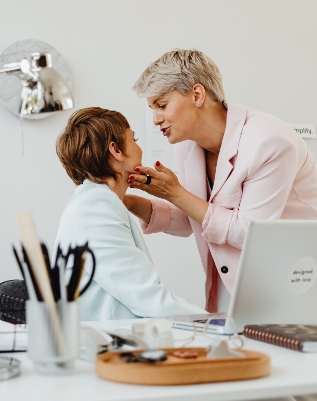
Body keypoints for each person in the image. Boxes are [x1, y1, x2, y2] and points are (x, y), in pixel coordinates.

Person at [125, 49, 317, 314]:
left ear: (197, 95)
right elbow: (195, 218)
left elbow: (248, 232)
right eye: (152, 109)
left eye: (161, 105)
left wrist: (175, 192)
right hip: (238, 286)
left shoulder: (269, 141)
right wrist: (127, 200)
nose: (156, 119)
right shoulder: (187, 147)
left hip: (303, 280)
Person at [54, 107, 206, 320]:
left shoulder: (99, 201)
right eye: (134, 139)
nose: (140, 149)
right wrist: (216, 322)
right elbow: (148, 300)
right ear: (115, 150)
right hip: (106, 344)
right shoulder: (96, 206)